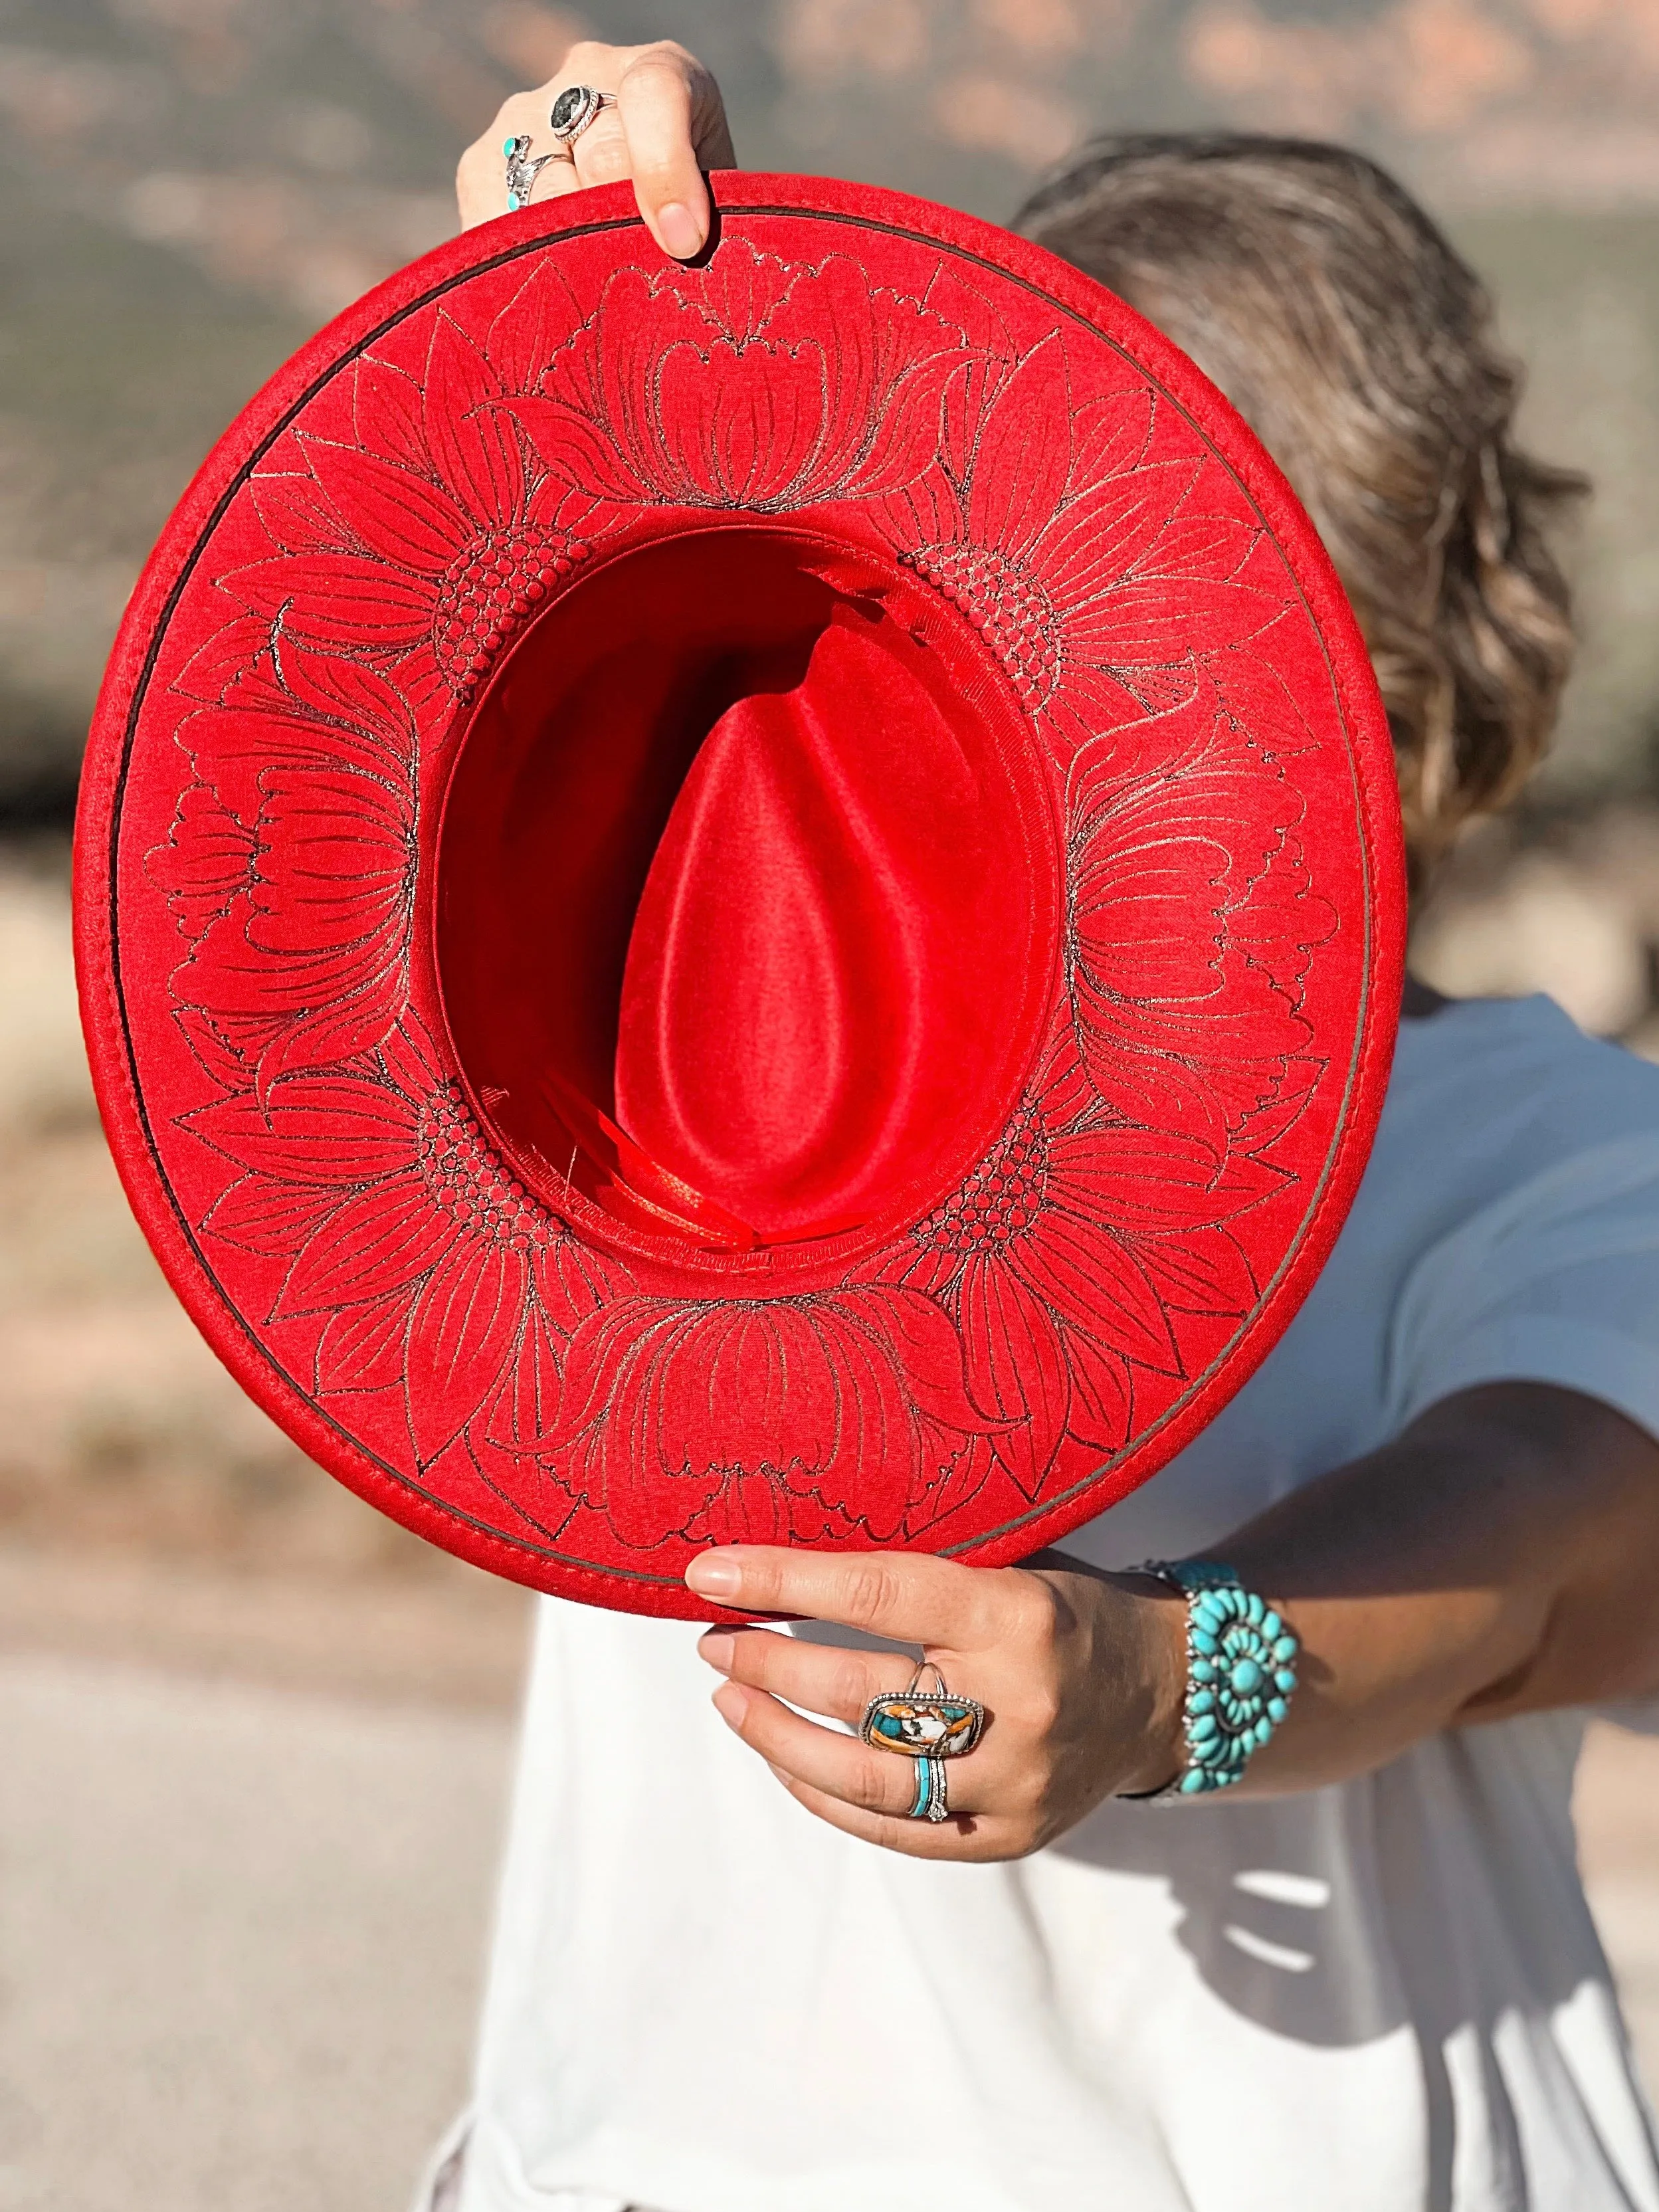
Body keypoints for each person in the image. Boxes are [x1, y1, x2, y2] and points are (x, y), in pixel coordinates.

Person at [431, 39, 1659, 2212]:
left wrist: (1164, 1678)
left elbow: (1543, 1545)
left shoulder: (1538, 1141)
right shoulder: (740, 1051)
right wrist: (568, 334)